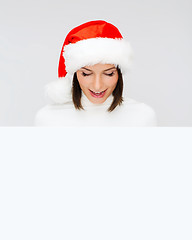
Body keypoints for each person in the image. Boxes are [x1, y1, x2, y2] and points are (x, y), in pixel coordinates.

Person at [34, 20, 157, 126]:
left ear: (119, 73)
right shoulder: (47, 119)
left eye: (109, 74)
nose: (97, 86)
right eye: (86, 74)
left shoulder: (143, 117)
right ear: (75, 74)